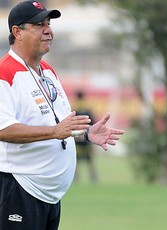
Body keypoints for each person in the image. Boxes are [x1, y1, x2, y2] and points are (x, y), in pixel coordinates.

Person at [0, 1, 124, 230]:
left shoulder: (47, 71)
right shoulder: (4, 73)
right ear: (17, 32)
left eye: (48, 23)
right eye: (39, 25)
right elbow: (3, 130)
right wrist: (56, 131)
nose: (48, 30)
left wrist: (85, 134)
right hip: (20, 190)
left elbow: (59, 126)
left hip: (50, 196)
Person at [74, 91, 98, 182]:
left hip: (77, 137)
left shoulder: (75, 108)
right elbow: (92, 123)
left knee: (77, 159)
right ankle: (93, 177)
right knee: (89, 159)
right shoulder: (88, 108)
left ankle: (76, 177)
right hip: (86, 137)